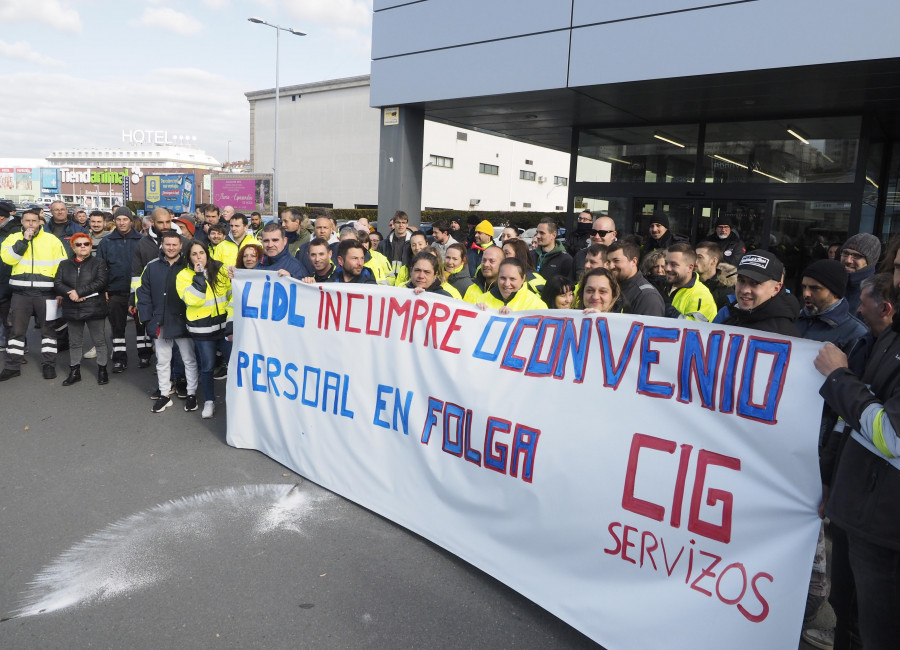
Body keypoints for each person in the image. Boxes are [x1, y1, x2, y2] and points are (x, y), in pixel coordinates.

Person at [812, 241, 900, 648]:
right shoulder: (888, 339)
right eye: (898, 267)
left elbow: (892, 436)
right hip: (856, 511)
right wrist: (831, 479)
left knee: (875, 631)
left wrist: (838, 379)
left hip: (884, 527)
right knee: (846, 615)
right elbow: (853, 424)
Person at [136, 230, 200, 413]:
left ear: (181, 245)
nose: (171, 248)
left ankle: (191, 394)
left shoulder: (189, 267)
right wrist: (148, 319)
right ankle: (164, 394)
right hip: (160, 321)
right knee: (162, 361)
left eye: (174, 244)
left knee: (189, 359)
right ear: (162, 245)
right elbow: (143, 294)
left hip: (184, 321)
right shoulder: (152, 266)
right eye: (167, 244)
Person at [0, 209, 68, 381]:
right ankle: (12, 366)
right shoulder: (13, 238)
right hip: (20, 294)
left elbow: (62, 268)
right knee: (16, 332)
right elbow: (9, 259)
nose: (30, 224)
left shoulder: (52, 240)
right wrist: (24, 241)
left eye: (34, 221)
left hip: (46, 294)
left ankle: (49, 365)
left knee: (49, 332)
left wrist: (60, 292)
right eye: (27, 220)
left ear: (40, 223)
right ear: (21, 222)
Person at [176, 241, 232, 419]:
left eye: (201, 252)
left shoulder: (220, 269)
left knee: (235, 365)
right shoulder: (183, 276)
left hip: (224, 328)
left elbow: (232, 294)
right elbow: (195, 300)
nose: (198, 256)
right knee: (207, 367)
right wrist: (199, 276)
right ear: (189, 256)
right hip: (203, 331)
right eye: (194, 254)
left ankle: (236, 399)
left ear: (207, 254)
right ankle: (209, 401)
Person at [55, 233, 110, 386]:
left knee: (99, 341)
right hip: (72, 306)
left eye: (86, 244)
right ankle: (74, 371)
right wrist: (71, 293)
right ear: (73, 247)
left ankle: (102, 370)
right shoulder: (64, 264)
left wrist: (79, 292)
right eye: (78, 244)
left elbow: (101, 282)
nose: (83, 247)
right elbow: (58, 283)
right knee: (74, 342)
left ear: (91, 246)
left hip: (94, 306)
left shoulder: (99, 263)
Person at [715, 250, 801, 336]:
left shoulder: (784, 335)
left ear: (776, 289)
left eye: (755, 283)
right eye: (741, 280)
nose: (745, 290)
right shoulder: (729, 315)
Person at [797, 259, 867, 347]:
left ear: (835, 292)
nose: (806, 293)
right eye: (804, 287)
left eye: (815, 288)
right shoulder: (794, 319)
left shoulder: (855, 333)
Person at [605, 240, 665, 317]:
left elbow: (650, 328)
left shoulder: (647, 297)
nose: (611, 266)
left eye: (616, 261)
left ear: (634, 261)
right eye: (608, 262)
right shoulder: (611, 287)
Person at [664, 243, 718, 321]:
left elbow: (693, 329)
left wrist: (666, 307)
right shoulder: (663, 285)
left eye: (674, 264)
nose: (667, 268)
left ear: (690, 268)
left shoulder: (701, 295)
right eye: (666, 263)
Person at [476, 258, 547, 313]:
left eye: (512, 279)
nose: (507, 284)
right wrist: (476, 313)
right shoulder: (482, 300)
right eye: (503, 278)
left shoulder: (537, 306)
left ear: (523, 278)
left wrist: (514, 318)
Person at [840, 233, 881, 314]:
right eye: (846, 253)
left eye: (856, 256)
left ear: (870, 261)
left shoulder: (876, 292)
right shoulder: (833, 281)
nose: (848, 260)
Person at [694, 241, 737, 311]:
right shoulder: (688, 283)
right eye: (694, 257)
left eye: (700, 257)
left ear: (714, 261)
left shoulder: (725, 292)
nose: (695, 261)